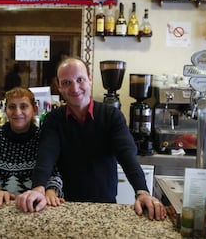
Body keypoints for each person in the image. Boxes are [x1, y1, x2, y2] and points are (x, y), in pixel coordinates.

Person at [15, 57, 166, 220]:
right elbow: (46, 156)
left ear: (90, 80)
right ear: (59, 87)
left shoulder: (111, 116)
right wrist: (38, 188)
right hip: (62, 205)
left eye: (80, 79)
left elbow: (127, 155)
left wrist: (142, 191)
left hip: (104, 206)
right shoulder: (53, 119)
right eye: (66, 82)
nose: (74, 87)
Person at [0, 87, 64, 207]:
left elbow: (55, 172)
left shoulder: (43, 137)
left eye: (23, 106)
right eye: (12, 107)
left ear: (34, 109)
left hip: (35, 205)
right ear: (5, 110)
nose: (17, 112)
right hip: (1, 204)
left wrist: (51, 192)